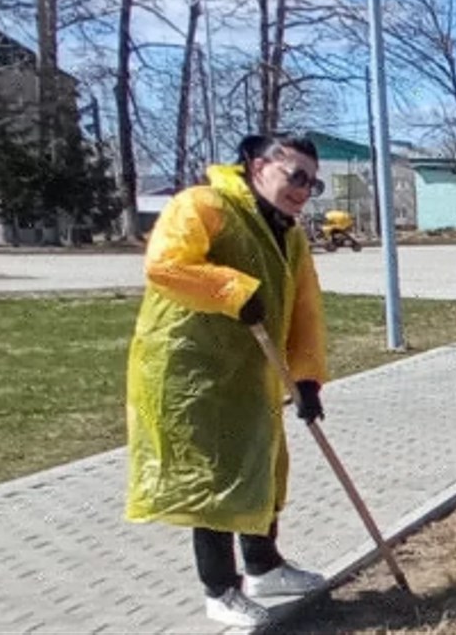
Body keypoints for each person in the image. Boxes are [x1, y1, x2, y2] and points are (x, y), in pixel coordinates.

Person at [125, 134, 331, 628]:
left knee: (260, 466)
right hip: (194, 372)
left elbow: (305, 309)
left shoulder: (290, 232)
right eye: (295, 176)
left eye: (312, 182)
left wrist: (307, 380)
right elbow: (167, 264)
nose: (303, 190)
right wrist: (233, 290)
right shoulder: (203, 205)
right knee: (213, 480)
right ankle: (219, 590)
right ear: (259, 166)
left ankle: (264, 567)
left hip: (253, 373)